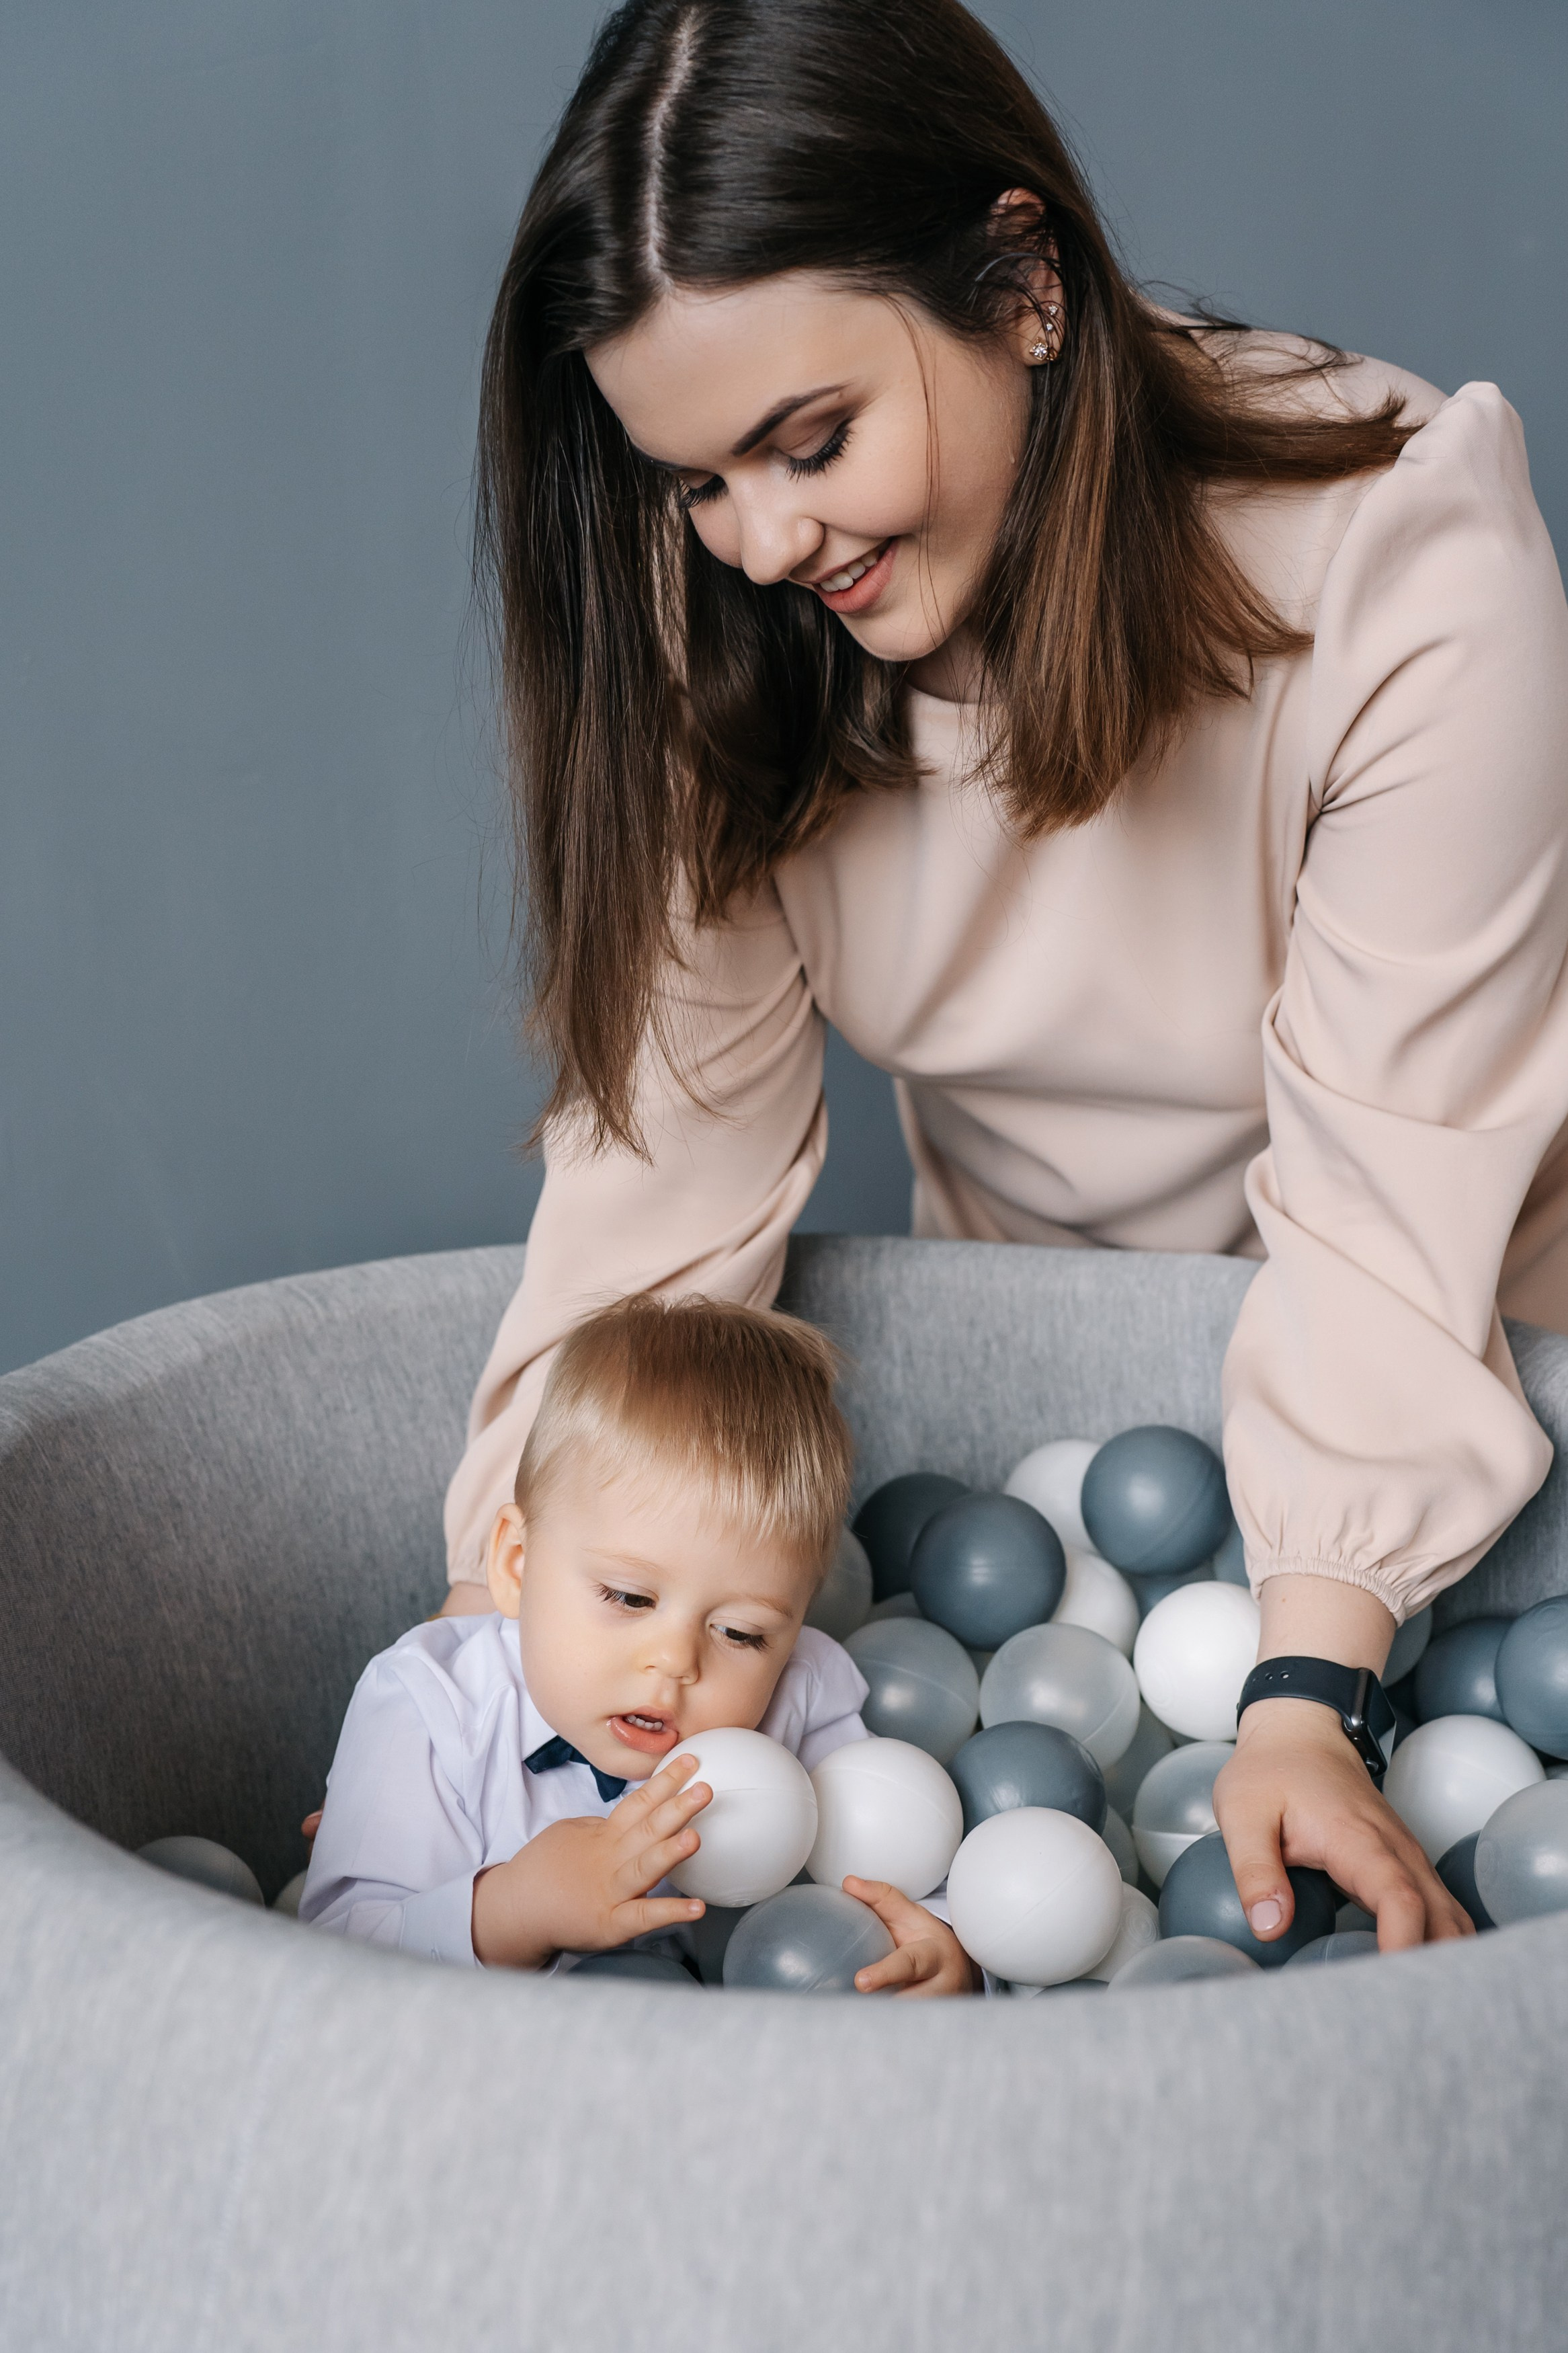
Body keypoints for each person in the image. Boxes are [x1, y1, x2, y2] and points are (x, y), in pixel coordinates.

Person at [442, 0, 1568, 1956]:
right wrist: (467, 1696)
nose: (767, 537)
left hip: (1455, 1391)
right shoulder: (717, 615)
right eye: (698, 476)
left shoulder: (1400, 559)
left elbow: (1397, 1194)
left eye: (813, 438)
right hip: (1073, 1389)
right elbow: (655, 1208)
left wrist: (1309, 1691)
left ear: (1026, 283)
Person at [302, 1293, 976, 1993]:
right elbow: (332, 1955)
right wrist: (514, 1910)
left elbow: (890, 1860)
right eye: (629, 1597)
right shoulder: (427, 1704)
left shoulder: (800, 1694)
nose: (676, 1660)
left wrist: (942, 1946)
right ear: (515, 1564)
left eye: (741, 1633)